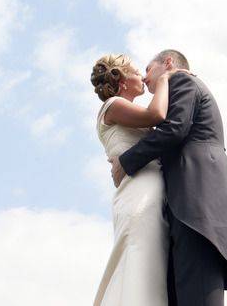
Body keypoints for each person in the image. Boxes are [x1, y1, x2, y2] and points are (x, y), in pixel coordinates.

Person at [109, 49, 227, 306]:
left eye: (149, 69)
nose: (145, 77)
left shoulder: (182, 81)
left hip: (197, 205)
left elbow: (174, 129)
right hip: (186, 207)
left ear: (168, 64)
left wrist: (125, 162)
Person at [91, 53, 189, 306]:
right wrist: (166, 78)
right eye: (137, 72)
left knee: (150, 264)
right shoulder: (112, 105)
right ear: (122, 80)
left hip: (151, 191)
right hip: (140, 194)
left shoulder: (126, 111)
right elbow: (156, 114)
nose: (144, 78)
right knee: (141, 260)